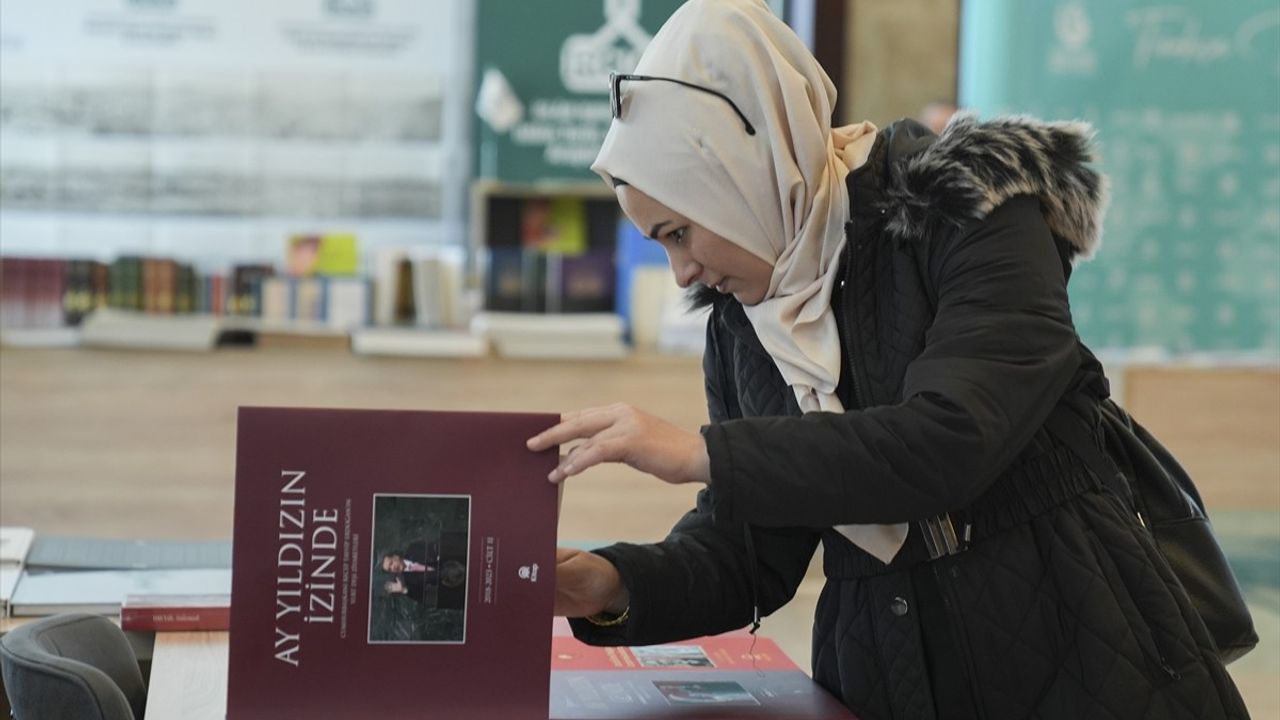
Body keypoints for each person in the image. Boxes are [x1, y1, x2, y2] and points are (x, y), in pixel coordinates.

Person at [525, 1, 1249, 719]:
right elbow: (751, 550)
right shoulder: (747, 319)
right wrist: (611, 583)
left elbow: (949, 440)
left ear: (740, 171)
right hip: (887, 679)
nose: (681, 273)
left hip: (1090, 657)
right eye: (661, 243)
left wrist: (702, 453)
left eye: (681, 232)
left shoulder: (965, 211)